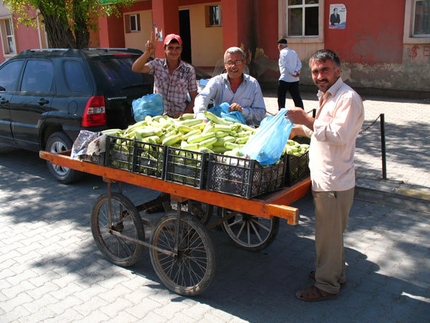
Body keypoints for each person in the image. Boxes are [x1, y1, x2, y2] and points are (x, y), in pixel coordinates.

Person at [286, 49, 364, 302]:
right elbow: (324, 132)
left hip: (334, 181)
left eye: (325, 70)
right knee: (332, 235)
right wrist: (300, 129)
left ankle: (326, 286)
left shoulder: (347, 98)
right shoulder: (327, 96)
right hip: (327, 178)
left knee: (326, 237)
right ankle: (335, 273)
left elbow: (339, 136)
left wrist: (307, 120)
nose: (320, 75)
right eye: (316, 71)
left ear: (338, 71)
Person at [193, 47, 266, 127]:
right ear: (225, 65)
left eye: (237, 62)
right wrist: (201, 116)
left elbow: (261, 113)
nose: (233, 66)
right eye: (230, 62)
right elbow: (202, 97)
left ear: (244, 63)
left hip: (245, 129)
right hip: (220, 128)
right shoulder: (217, 81)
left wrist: (242, 111)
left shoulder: (253, 84)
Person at [132, 33, 198, 118]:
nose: (174, 51)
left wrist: (184, 114)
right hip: (158, 117)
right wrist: (147, 53)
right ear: (164, 49)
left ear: (181, 49)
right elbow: (136, 68)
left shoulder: (189, 70)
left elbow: (194, 98)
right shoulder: (157, 64)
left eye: (177, 48)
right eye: (170, 48)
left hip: (178, 118)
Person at [277, 38, 304, 110]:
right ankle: (301, 112)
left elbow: (285, 64)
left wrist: (293, 73)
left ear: (280, 46)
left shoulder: (282, 52)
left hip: (285, 78)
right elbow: (299, 63)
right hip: (294, 79)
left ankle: (281, 112)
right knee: (296, 97)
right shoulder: (293, 52)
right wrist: (297, 72)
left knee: (281, 97)